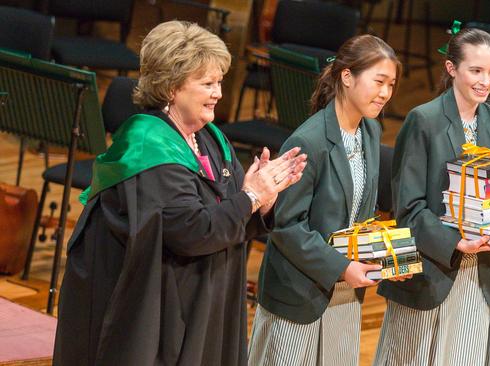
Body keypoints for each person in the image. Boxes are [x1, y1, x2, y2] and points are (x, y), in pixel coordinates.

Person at [53, 21, 306, 366]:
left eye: (219, 81)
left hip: (208, 299)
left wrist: (264, 201)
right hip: (160, 311)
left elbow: (229, 219)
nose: (218, 92)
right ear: (171, 88)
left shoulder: (211, 139)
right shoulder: (148, 148)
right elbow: (192, 232)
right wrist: (249, 197)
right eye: (207, 83)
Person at [374, 28, 490, 365]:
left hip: (482, 276)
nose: (486, 81)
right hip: (430, 272)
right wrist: (457, 242)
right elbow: (408, 210)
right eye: (476, 70)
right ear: (451, 69)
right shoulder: (422, 121)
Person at [248, 34, 402, 365]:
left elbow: (359, 216)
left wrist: (390, 258)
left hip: (343, 293)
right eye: (379, 82)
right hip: (297, 293)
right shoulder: (308, 140)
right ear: (347, 77)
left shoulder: (370, 131)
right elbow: (287, 226)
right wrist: (343, 267)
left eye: (391, 84)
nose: (386, 93)